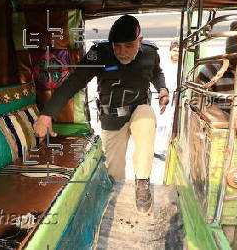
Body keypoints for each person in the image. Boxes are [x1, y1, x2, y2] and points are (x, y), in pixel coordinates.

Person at [33, 15, 169, 215]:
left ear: (140, 41)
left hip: (139, 108)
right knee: (115, 174)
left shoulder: (150, 53)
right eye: (117, 46)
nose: (122, 52)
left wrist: (163, 89)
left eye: (129, 46)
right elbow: (73, 82)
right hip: (111, 117)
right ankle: (116, 206)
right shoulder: (100, 54)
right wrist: (47, 114)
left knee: (147, 119)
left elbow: (156, 72)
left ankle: (142, 183)